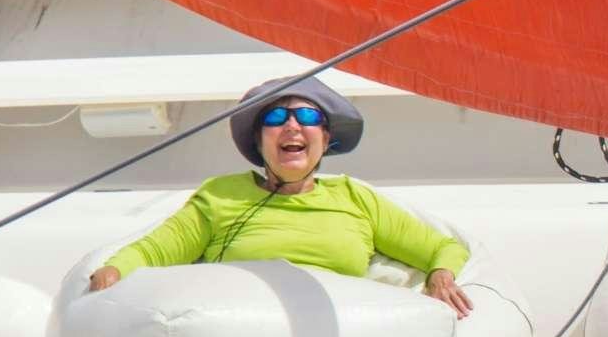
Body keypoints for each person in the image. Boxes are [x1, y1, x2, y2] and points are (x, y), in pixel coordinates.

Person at [87, 76, 473, 317]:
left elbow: (444, 248)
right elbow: (155, 251)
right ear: (258, 140)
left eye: (306, 118)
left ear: (326, 139)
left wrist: (441, 276)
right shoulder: (221, 195)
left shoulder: (356, 198)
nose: (291, 125)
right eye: (274, 119)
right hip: (242, 333)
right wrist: (113, 271)